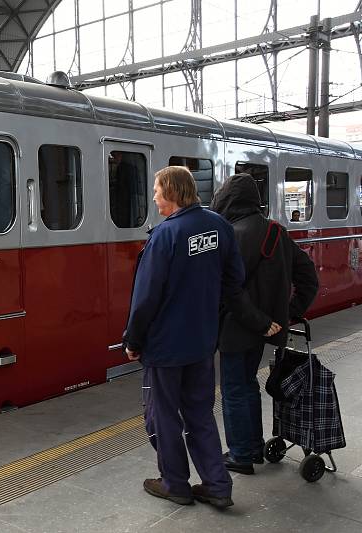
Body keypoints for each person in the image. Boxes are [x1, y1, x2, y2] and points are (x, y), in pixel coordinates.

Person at [123, 166, 244, 509]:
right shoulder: (219, 226)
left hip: (164, 347)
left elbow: (145, 298)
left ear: (173, 192)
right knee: (200, 414)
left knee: (162, 415)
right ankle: (218, 485)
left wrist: (133, 340)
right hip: (202, 343)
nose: (155, 197)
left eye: (158, 190)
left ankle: (175, 483)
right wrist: (206, 310)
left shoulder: (165, 235)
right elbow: (235, 279)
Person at [211, 174, 318, 475]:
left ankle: (242, 454)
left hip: (236, 327)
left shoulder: (230, 235)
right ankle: (253, 446)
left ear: (228, 200)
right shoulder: (276, 231)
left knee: (234, 389)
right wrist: (287, 314)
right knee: (248, 384)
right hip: (264, 330)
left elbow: (225, 291)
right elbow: (309, 279)